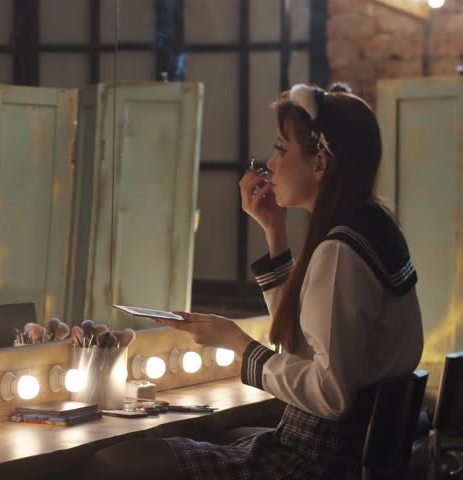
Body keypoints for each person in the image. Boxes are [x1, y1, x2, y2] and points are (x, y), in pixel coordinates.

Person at [88, 83, 423, 479]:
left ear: (320, 164)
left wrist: (238, 344)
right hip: (332, 449)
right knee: (230, 433)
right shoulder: (372, 226)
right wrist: (274, 233)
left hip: (312, 463)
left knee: (115, 464)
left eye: (282, 149)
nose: (271, 163)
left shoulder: (340, 253)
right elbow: (307, 344)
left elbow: (331, 395)